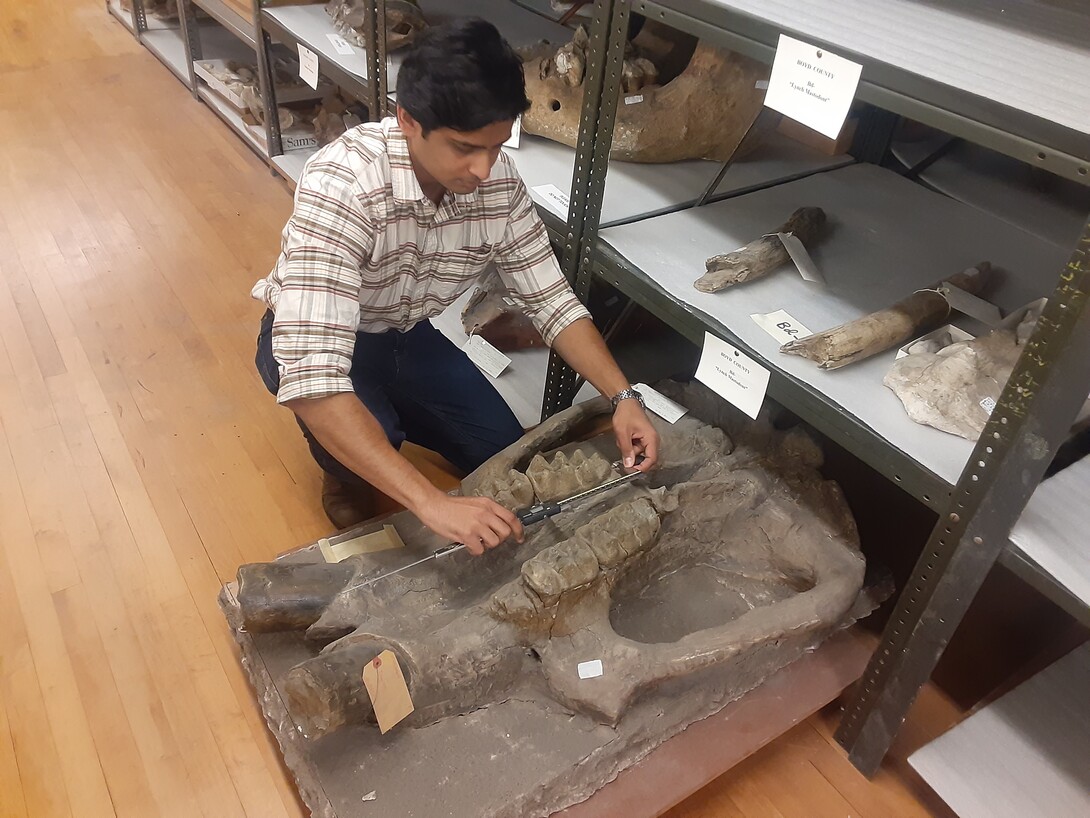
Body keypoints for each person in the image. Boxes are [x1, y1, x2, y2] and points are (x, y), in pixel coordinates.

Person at [252, 17, 659, 553]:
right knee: (372, 437)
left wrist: (623, 396)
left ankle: (383, 431)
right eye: (465, 147)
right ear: (408, 120)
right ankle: (343, 467)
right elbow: (314, 380)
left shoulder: (499, 181)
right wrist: (430, 502)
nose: (484, 168)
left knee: (500, 450)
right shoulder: (342, 185)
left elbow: (553, 301)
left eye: (497, 144)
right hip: (332, 344)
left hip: (410, 336)